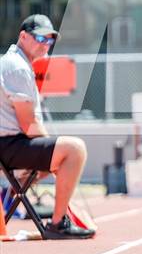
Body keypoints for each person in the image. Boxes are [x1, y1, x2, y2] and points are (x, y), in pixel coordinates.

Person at [0, 14, 95, 239]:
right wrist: (53, 157)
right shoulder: (17, 67)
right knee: (74, 150)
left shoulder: (15, 63)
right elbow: (28, 125)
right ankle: (57, 223)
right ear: (23, 36)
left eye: (50, 40)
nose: (46, 44)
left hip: (10, 144)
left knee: (60, 156)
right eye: (40, 38)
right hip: (9, 145)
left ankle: (13, 187)